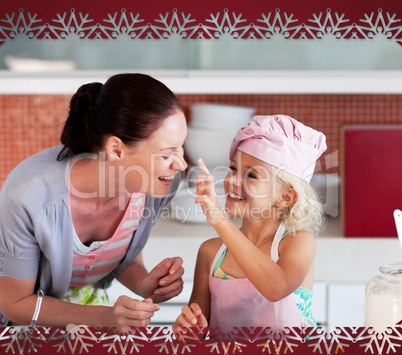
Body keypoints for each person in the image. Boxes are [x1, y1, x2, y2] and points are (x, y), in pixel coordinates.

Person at [0, 73, 188, 333]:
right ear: (116, 150)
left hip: (91, 315)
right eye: (167, 154)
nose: (181, 165)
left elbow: (119, 257)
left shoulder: (156, 185)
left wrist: (146, 284)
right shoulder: (29, 198)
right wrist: (105, 318)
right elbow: (14, 303)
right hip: (19, 326)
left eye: (181, 148)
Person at [173, 114, 327, 337]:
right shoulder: (210, 253)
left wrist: (220, 220)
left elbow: (276, 288)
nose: (233, 181)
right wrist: (187, 329)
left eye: (252, 175)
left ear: (285, 197)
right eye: (233, 168)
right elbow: (196, 334)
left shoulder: (298, 242)